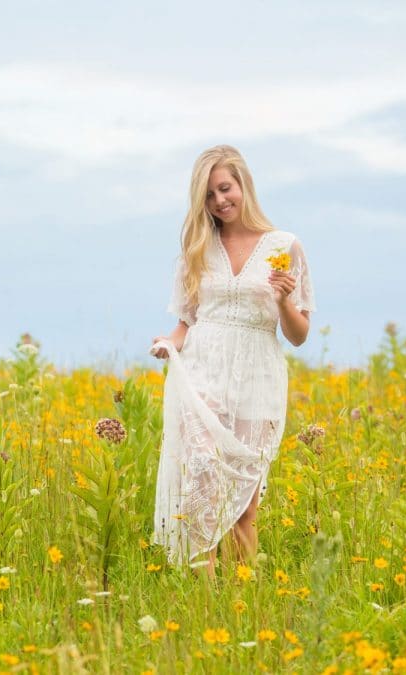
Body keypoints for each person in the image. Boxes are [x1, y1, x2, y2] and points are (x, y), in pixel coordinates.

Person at [149, 144, 315, 574]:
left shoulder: (285, 246)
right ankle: (203, 602)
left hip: (258, 377)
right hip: (204, 374)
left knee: (245, 503)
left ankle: (240, 603)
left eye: (225, 189)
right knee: (202, 490)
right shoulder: (198, 249)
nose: (220, 201)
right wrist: (168, 343)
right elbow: (187, 321)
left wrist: (282, 301)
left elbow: (298, 335)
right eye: (208, 195)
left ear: (243, 184)